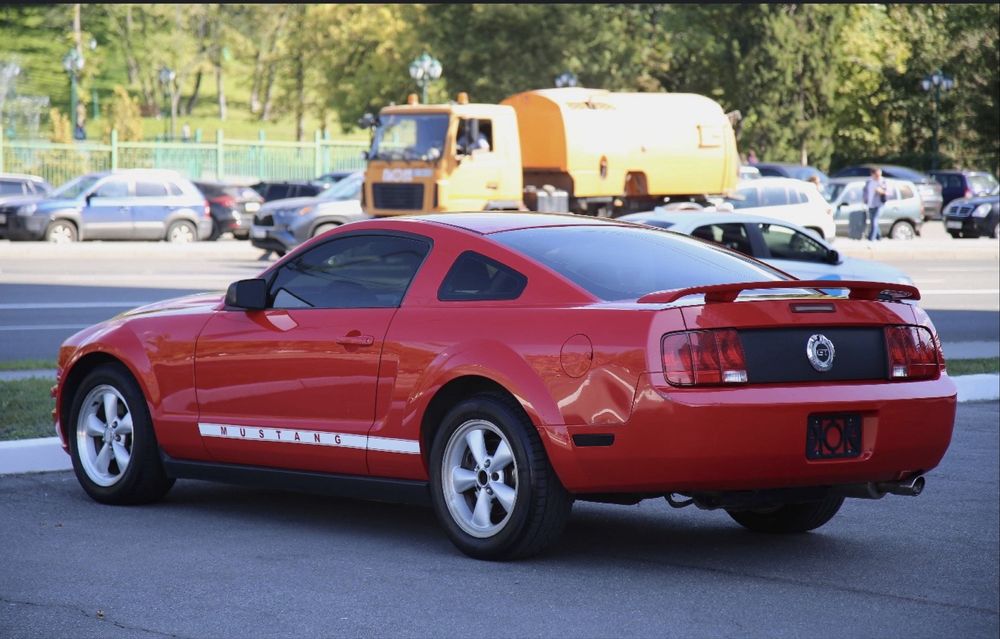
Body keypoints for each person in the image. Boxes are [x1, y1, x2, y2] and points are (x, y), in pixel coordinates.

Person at [861, 167, 888, 241]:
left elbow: (887, 192)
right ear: (872, 174)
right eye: (876, 174)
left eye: (879, 174)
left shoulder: (883, 181)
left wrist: (880, 191)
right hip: (870, 204)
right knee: (873, 221)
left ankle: (871, 238)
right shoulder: (869, 181)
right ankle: (879, 236)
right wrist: (864, 199)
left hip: (879, 204)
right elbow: (865, 191)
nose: (878, 176)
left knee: (874, 220)